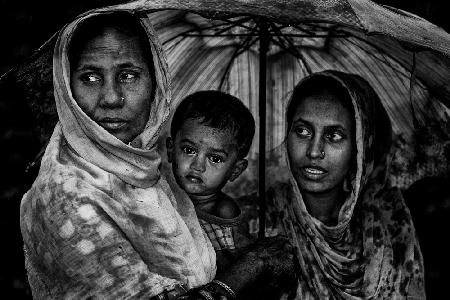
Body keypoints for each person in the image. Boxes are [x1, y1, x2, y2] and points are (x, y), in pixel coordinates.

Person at [19, 9, 295, 300]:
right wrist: (253, 265)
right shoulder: (67, 197)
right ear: (66, 86)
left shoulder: (144, 168)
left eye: (128, 75)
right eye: (89, 77)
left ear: (156, 83)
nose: (111, 97)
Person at [271, 70, 425, 299]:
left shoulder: (391, 225)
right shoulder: (258, 219)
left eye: (334, 135)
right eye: (302, 131)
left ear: (360, 148)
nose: (314, 151)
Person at [166, 91, 255, 270]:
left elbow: (236, 267)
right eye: (189, 150)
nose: (198, 166)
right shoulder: (162, 192)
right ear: (170, 150)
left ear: (235, 171)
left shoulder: (223, 212)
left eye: (215, 159)